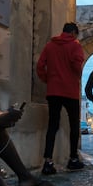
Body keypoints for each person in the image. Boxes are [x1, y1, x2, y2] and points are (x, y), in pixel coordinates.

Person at [37, 22, 85, 175]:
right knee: (73, 126)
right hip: (70, 91)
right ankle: (73, 159)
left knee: (52, 125)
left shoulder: (50, 45)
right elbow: (77, 66)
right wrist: (75, 77)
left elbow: (40, 65)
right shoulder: (75, 45)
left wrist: (48, 80)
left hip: (53, 91)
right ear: (73, 33)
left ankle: (48, 162)